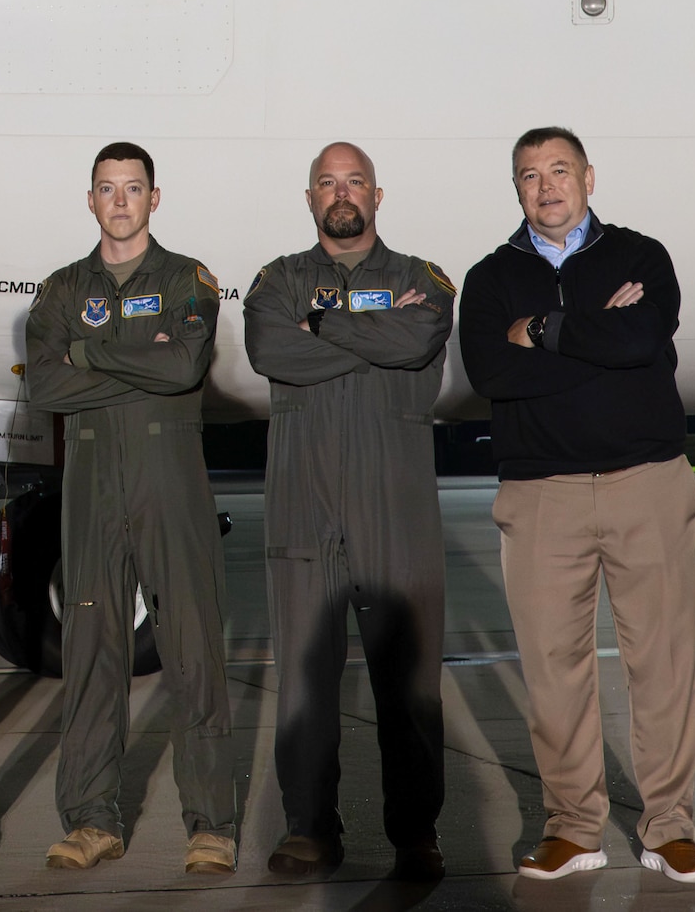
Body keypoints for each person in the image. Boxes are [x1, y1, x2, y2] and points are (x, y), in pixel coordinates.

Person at [460, 127, 695, 885]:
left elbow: (643, 338)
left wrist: (542, 331)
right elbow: (491, 371)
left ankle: (669, 826)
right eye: (530, 175)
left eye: (559, 170)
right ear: (517, 189)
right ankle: (573, 827)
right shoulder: (489, 276)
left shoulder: (641, 256)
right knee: (552, 669)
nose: (546, 187)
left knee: (664, 662)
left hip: (648, 484)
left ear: (589, 177)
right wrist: (599, 345)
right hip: (541, 496)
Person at [242, 142, 454, 881]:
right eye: (328, 182)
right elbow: (271, 347)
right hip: (304, 498)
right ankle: (309, 827)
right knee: (305, 672)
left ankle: (415, 830)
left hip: (393, 497)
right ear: (309, 198)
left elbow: (419, 335)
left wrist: (322, 328)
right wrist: (367, 338)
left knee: (410, 672)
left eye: (354, 180)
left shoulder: (419, 279)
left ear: (377, 193)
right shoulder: (277, 281)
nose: (342, 193)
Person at [25, 142, 238, 875]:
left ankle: (211, 823)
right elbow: (42, 388)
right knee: (90, 653)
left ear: (154, 198)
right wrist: (130, 359)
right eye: (107, 189)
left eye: (133, 188)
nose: (120, 201)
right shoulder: (60, 288)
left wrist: (87, 354)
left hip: (169, 484)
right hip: (91, 486)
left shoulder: (186, 278)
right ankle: (91, 819)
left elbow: (183, 365)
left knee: (192, 651)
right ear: (90, 200)